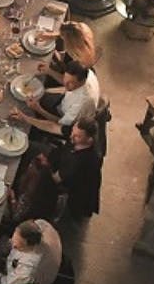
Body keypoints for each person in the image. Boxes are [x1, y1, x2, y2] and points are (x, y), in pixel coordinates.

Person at [12, 56, 103, 136]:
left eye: (71, 83)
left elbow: (59, 123)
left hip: (65, 120)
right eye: (66, 79)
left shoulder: (81, 104)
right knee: (32, 97)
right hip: (63, 103)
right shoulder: (86, 73)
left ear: (82, 81)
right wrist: (49, 71)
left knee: (24, 120)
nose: (65, 85)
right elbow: (66, 81)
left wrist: (38, 109)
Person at [54, 119, 104, 250]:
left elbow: (56, 179)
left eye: (77, 136)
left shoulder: (80, 161)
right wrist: (25, 118)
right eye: (73, 132)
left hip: (77, 195)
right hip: (71, 180)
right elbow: (54, 127)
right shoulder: (78, 141)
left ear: (89, 140)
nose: (71, 136)